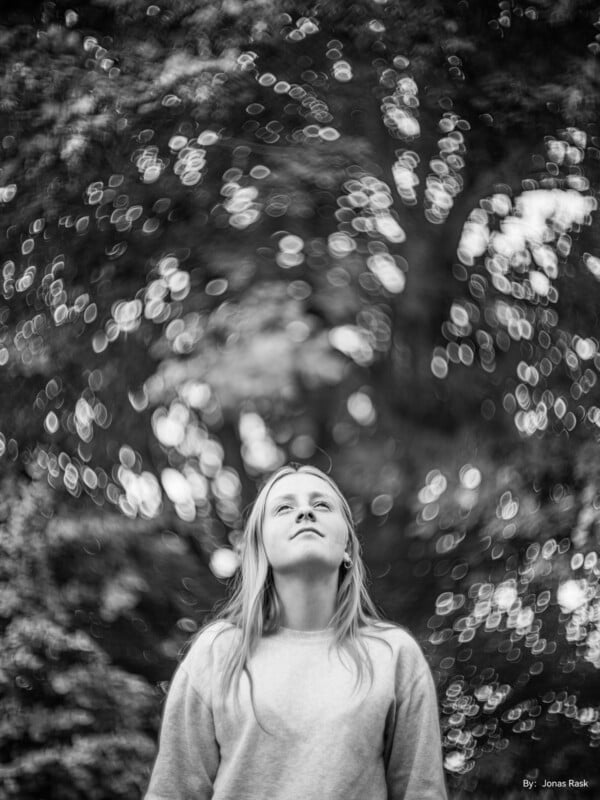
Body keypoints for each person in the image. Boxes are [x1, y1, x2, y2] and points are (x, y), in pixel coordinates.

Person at [144, 464, 448, 800]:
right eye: (284, 508)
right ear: (262, 547)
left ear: (347, 545)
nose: (305, 511)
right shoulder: (218, 651)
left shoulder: (394, 655)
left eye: (322, 505)